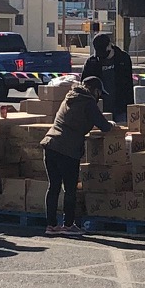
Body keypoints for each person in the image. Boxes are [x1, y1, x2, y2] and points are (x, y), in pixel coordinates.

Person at [40, 76, 115, 234]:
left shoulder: (70, 97)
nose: (99, 98)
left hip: (50, 144)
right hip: (67, 150)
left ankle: (51, 225)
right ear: (95, 91)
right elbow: (104, 126)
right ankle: (68, 225)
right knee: (69, 189)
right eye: (99, 94)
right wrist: (111, 125)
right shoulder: (88, 102)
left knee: (53, 187)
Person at [83, 32, 135, 119]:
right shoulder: (91, 62)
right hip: (99, 107)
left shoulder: (123, 58)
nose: (102, 56)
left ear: (109, 46)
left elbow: (128, 84)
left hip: (120, 106)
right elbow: (84, 84)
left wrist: (130, 107)